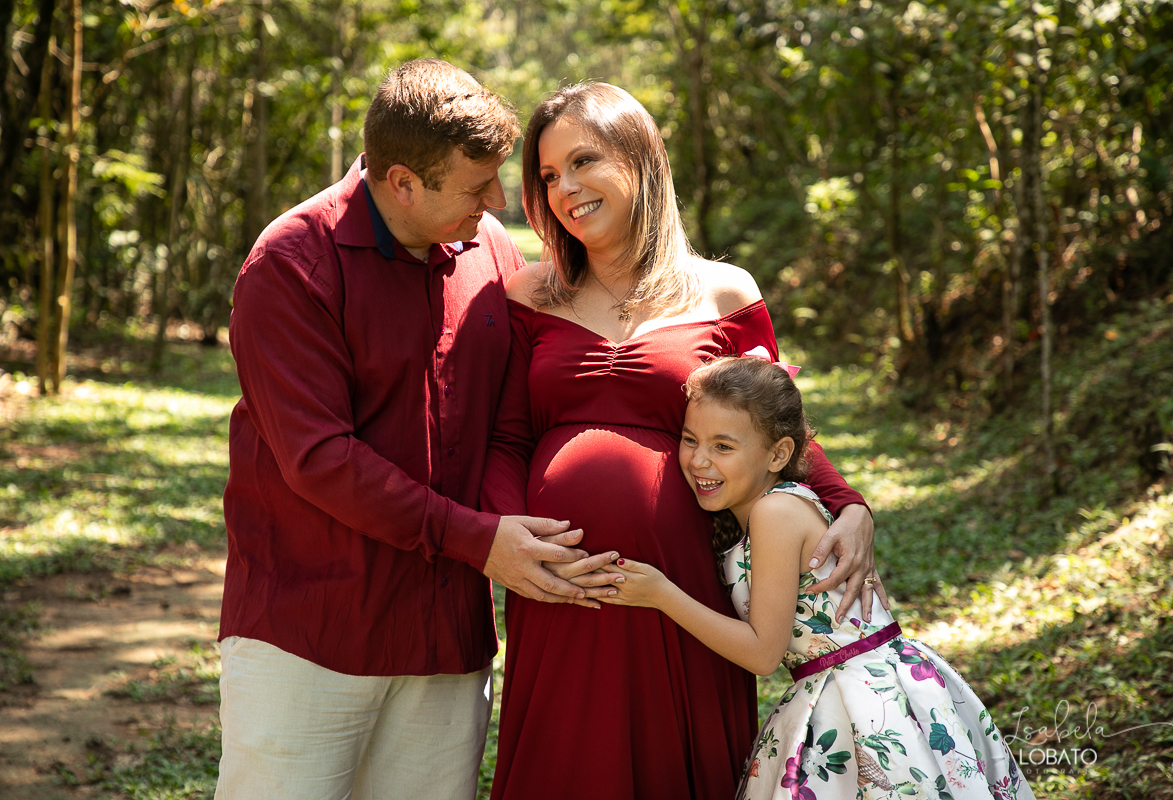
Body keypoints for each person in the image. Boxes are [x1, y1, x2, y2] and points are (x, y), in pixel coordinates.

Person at [216, 59, 617, 800]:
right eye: (476, 186)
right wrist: (479, 540)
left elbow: (522, 405)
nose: (497, 201)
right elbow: (320, 458)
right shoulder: (291, 264)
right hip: (311, 636)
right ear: (403, 182)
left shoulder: (490, 249)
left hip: (446, 642)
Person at [481, 82, 881, 800]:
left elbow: (773, 428)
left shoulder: (723, 293)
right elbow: (507, 438)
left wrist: (850, 505)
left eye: (583, 161)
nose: (565, 188)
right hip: (559, 585)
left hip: (684, 586)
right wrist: (519, 542)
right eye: (548, 176)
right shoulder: (528, 294)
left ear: (640, 160)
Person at [601, 355, 1035, 800]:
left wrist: (659, 594)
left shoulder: (776, 512)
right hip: (834, 687)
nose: (699, 460)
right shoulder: (758, 512)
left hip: (866, 698)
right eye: (690, 439)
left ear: (779, 454)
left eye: (723, 447)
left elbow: (762, 654)